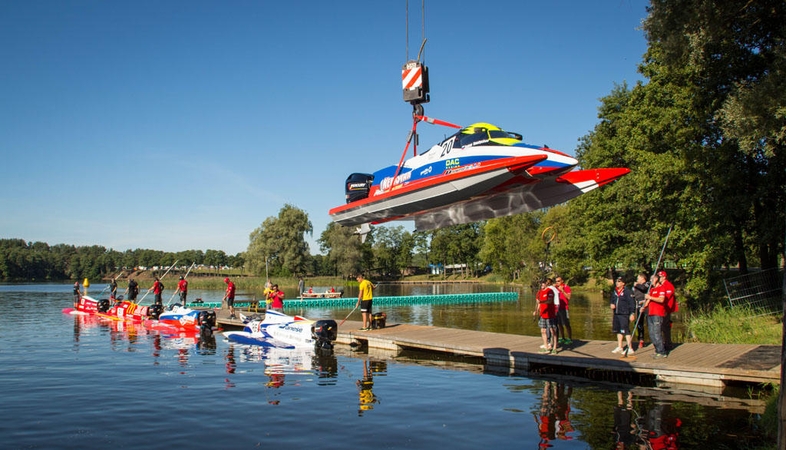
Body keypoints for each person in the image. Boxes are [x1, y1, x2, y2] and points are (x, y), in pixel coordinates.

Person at [643, 274, 668, 358]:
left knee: (657, 333)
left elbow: (661, 299)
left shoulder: (661, 288)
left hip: (658, 313)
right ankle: (657, 350)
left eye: (651, 279)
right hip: (650, 313)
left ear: (656, 279)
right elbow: (648, 300)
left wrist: (650, 297)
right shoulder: (652, 289)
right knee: (651, 333)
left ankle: (662, 352)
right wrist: (644, 306)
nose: (650, 281)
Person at [610, 276, 636, 356]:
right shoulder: (615, 291)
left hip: (624, 313)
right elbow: (612, 300)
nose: (617, 283)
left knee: (625, 330)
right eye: (617, 281)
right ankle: (620, 346)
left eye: (619, 281)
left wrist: (632, 313)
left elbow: (632, 303)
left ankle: (630, 348)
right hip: (617, 313)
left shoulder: (628, 292)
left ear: (623, 283)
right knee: (618, 330)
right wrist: (611, 304)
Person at [535, 279, 558, 354]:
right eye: (540, 284)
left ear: (546, 284)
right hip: (542, 315)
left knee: (552, 330)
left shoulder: (549, 291)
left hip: (550, 314)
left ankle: (554, 347)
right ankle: (546, 346)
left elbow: (550, 301)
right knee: (543, 330)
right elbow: (538, 303)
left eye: (542, 284)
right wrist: (536, 311)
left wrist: (541, 302)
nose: (541, 286)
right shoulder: (540, 292)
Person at [658, 270, 677, 351]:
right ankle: (664, 343)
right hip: (661, 309)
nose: (659, 278)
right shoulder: (661, 285)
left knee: (665, 327)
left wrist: (665, 309)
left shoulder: (668, 285)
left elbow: (667, 298)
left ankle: (668, 344)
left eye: (660, 277)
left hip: (666, 309)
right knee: (662, 327)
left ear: (664, 277)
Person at [632, 273, 650, 349]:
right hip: (638, 306)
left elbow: (643, 289)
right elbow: (632, 295)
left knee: (650, 323)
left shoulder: (647, 284)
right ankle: (641, 339)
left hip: (647, 306)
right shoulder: (635, 287)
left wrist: (636, 285)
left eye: (638, 278)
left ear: (643, 278)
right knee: (639, 323)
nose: (637, 280)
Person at [554, 276, 573, 345]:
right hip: (557, 308)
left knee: (567, 323)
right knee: (559, 324)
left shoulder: (566, 287)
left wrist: (562, 290)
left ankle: (570, 338)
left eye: (558, 281)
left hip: (564, 308)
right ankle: (563, 337)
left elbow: (568, 297)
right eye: (556, 281)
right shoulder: (556, 288)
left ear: (562, 281)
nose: (557, 282)